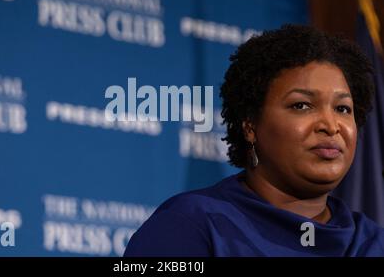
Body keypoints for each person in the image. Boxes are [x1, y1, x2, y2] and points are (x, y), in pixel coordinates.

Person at [123, 24, 384, 256]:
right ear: (250, 126)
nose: (330, 125)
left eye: (343, 109)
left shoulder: (373, 243)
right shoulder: (190, 226)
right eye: (302, 105)